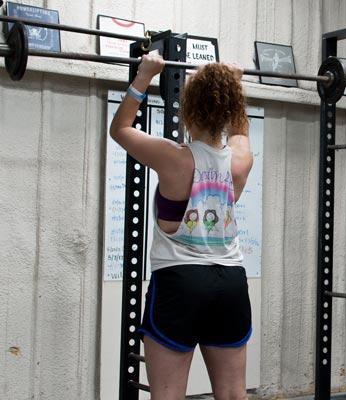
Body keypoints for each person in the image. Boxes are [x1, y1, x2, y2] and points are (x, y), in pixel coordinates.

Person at [110, 53, 253, 400]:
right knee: (234, 395)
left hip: (180, 282)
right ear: (230, 108)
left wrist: (144, 75)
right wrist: (235, 83)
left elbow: (120, 129)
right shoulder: (240, 160)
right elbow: (239, 130)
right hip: (230, 283)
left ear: (187, 108)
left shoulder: (172, 157)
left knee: (168, 395)